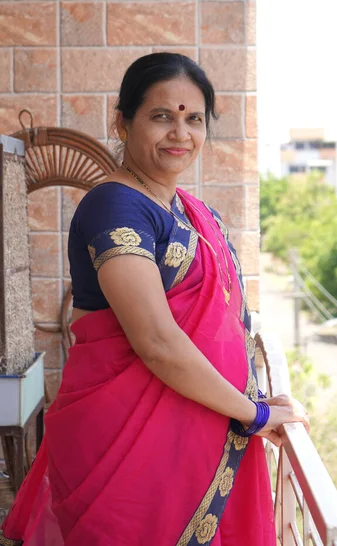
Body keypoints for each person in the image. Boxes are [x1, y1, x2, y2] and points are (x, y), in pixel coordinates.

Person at [0, 52, 309, 546]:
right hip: (129, 445)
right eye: (162, 116)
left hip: (197, 430)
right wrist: (255, 414)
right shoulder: (115, 204)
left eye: (194, 119)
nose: (180, 134)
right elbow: (157, 342)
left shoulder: (189, 209)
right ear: (121, 122)